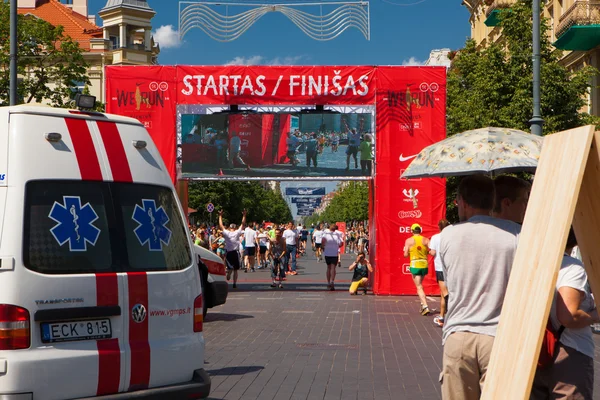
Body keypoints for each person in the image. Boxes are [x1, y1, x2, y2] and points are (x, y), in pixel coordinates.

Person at [439, 175, 521, 400]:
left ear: (462, 201)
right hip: (499, 335)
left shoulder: (448, 235)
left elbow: (449, 282)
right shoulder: (515, 234)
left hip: (458, 333)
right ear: (493, 198)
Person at [530, 228, 599, 400]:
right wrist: (596, 315)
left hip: (534, 349)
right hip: (569, 351)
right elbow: (568, 316)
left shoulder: (533, 263)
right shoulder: (572, 267)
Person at [403, 223, 431, 316]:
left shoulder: (409, 241)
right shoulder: (426, 239)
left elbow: (405, 255)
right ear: (420, 230)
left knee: (419, 287)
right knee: (420, 285)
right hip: (424, 264)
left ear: (412, 231)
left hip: (415, 264)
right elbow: (431, 251)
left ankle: (425, 306)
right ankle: (422, 305)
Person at [429, 219, 451, 328]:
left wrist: (428, 250)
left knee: (445, 293)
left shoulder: (435, 237)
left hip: (440, 267)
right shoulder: (452, 237)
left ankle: (450, 316)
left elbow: (433, 252)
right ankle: (442, 316)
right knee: (443, 294)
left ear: (439, 227)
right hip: (451, 267)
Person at [218, 209, 247, 289]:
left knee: (230, 267)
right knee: (236, 269)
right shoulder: (237, 232)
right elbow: (243, 224)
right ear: (235, 228)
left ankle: (229, 275)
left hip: (229, 252)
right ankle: (234, 283)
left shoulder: (227, 233)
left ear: (230, 228)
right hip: (235, 252)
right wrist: (244, 215)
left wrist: (220, 216)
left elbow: (221, 225)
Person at [322, 224, 343, 291]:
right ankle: (332, 281)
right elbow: (341, 243)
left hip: (327, 253)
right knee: (333, 267)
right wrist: (337, 246)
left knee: (328, 267)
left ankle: (328, 282)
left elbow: (322, 242)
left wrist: (323, 247)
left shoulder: (326, 234)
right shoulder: (337, 235)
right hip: (334, 253)